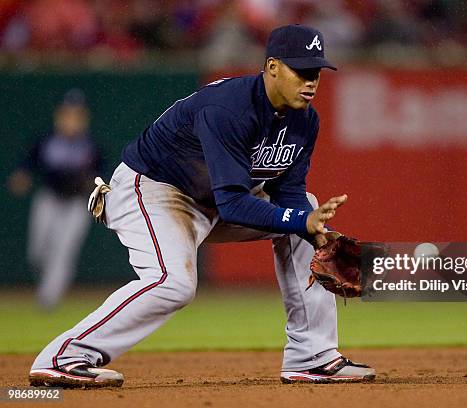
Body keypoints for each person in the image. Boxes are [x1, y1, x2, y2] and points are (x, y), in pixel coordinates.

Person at [28, 24, 375, 388]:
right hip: (155, 189)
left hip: (211, 199)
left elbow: (287, 195)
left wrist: (309, 227)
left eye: (316, 72)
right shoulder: (228, 108)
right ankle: (64, 357)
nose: (311, 81)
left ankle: (313, 357)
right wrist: (299, 222)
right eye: (301, 71)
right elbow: (234, 205)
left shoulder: (305, 121)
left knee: (306, 210)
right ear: (272, 67)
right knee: (173, 283)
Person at [8, 89, 104, 310]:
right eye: (67, 114)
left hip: (77, 204)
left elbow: (101, 176)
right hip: (49, 199)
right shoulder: (46, 140)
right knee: (37, 251)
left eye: (76, 115)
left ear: (84, 118)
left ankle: (48, 299)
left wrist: (95, 184)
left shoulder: (91, 146)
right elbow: (28, 164)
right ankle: (48, 287)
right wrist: (22, 175)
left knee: (63, 251)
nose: (71, 120)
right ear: (59, 116)